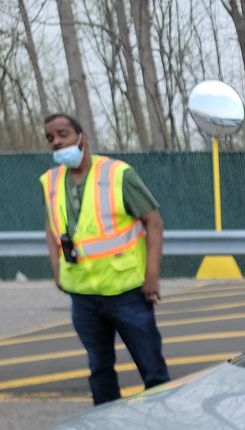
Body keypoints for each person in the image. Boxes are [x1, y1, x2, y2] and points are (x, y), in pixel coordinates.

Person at [41, 112, 170, 404]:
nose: (57, 142)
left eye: (63, 134)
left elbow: (154, 222)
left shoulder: (117, 174)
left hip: (127, 292)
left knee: (152, 369)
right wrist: (57, 270)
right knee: (99, 369)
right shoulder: (50, 181)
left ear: (81, 137)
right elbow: (51, 228)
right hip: (83, 295)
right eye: (50, 138)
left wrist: (152, 276)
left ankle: (166, 424)